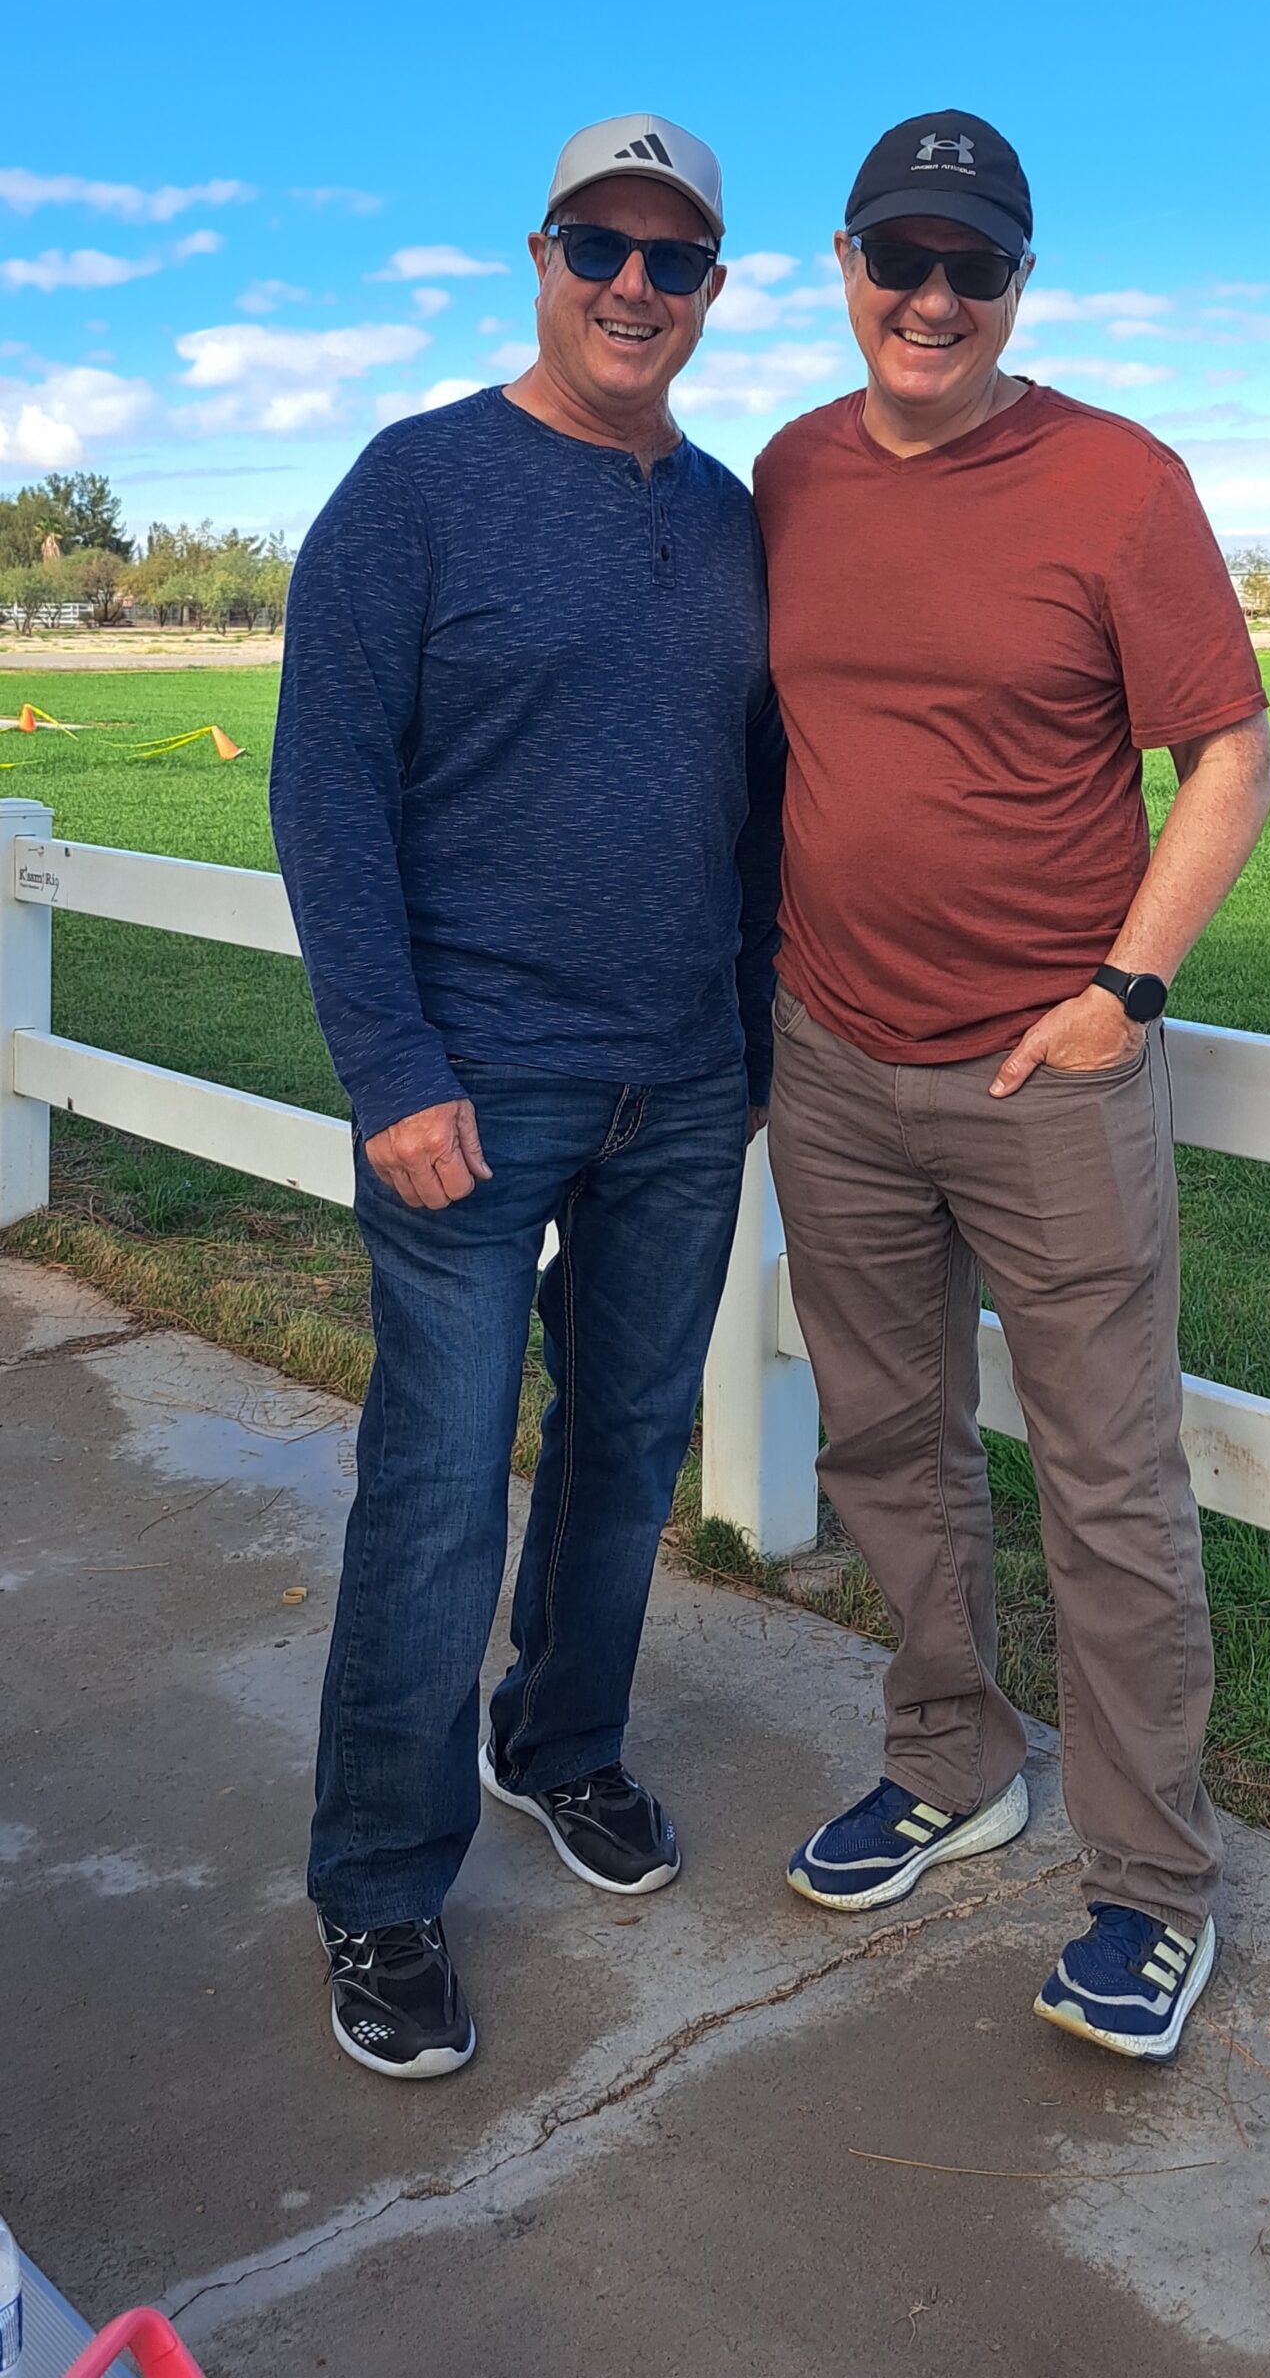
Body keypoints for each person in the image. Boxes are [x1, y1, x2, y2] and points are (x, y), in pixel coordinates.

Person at [755, 112, 1270, 2063]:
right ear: (844, 265)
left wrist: (1124, 991)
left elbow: (1229, 756)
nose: (932, 296)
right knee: (884, 1444)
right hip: (830, 1053)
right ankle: (948, 1758)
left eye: (971, 265)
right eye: (900, 256)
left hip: (1046, 1071)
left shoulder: (1118, 483)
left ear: (1018, 284)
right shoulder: (788, 474)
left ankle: (1148, 1887)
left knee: (1107, 1485)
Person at [271, 113, 782, 2079]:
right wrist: (391, 1068)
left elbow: (762, 803)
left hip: (682, 1087)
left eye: (674, 260)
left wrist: (744, 1039)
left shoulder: (730, 515)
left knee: (626, 1448)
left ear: (712, 288)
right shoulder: (414, 485)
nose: (633, 287)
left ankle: (558, 1740)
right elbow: (325, 788)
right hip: (469, 1089)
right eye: (599, 248)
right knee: (435, 1484)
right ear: (540, 257)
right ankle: (379, 1883)